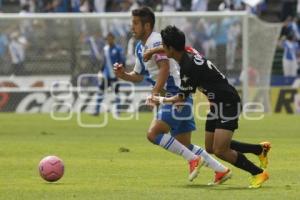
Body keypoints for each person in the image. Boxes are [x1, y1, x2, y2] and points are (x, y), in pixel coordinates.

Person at [114, 6, 232, 184]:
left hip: (175, 95)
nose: (132, 27)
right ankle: (220, 170)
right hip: (178, 97)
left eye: (136, 23)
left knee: (153, 134)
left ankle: (193, 160)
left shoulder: (155, 41)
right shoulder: (140, 47)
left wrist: (154, 94)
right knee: (184, 145)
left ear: (147, 26)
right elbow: (139, 75)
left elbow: (165, 68)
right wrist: (124, 75)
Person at [148, 25, 271, 188]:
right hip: (216, 104)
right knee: (211, 146)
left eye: (164, 46)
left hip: (228, 103)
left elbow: (180, 99)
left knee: (221, 150)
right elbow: (170, 48)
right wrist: (151, 52)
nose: (162, 49)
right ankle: (259, 150)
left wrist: (160, 99)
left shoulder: (188, 69)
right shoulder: (188, 51)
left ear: (171, 48)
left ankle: (258, 173)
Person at [94, 32, 125, 116]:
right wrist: (100, 71)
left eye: (110, 38)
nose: (108, 40)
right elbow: (103, 62)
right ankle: (96, 110)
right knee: (100, 91)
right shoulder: (105, 49)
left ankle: (118, 112)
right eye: (107, 39)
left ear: (113, 39)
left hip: (115, 75)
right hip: (105, 75)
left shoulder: (118, 49)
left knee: (116, 93)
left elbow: (122, 61)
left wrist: (121, 72)